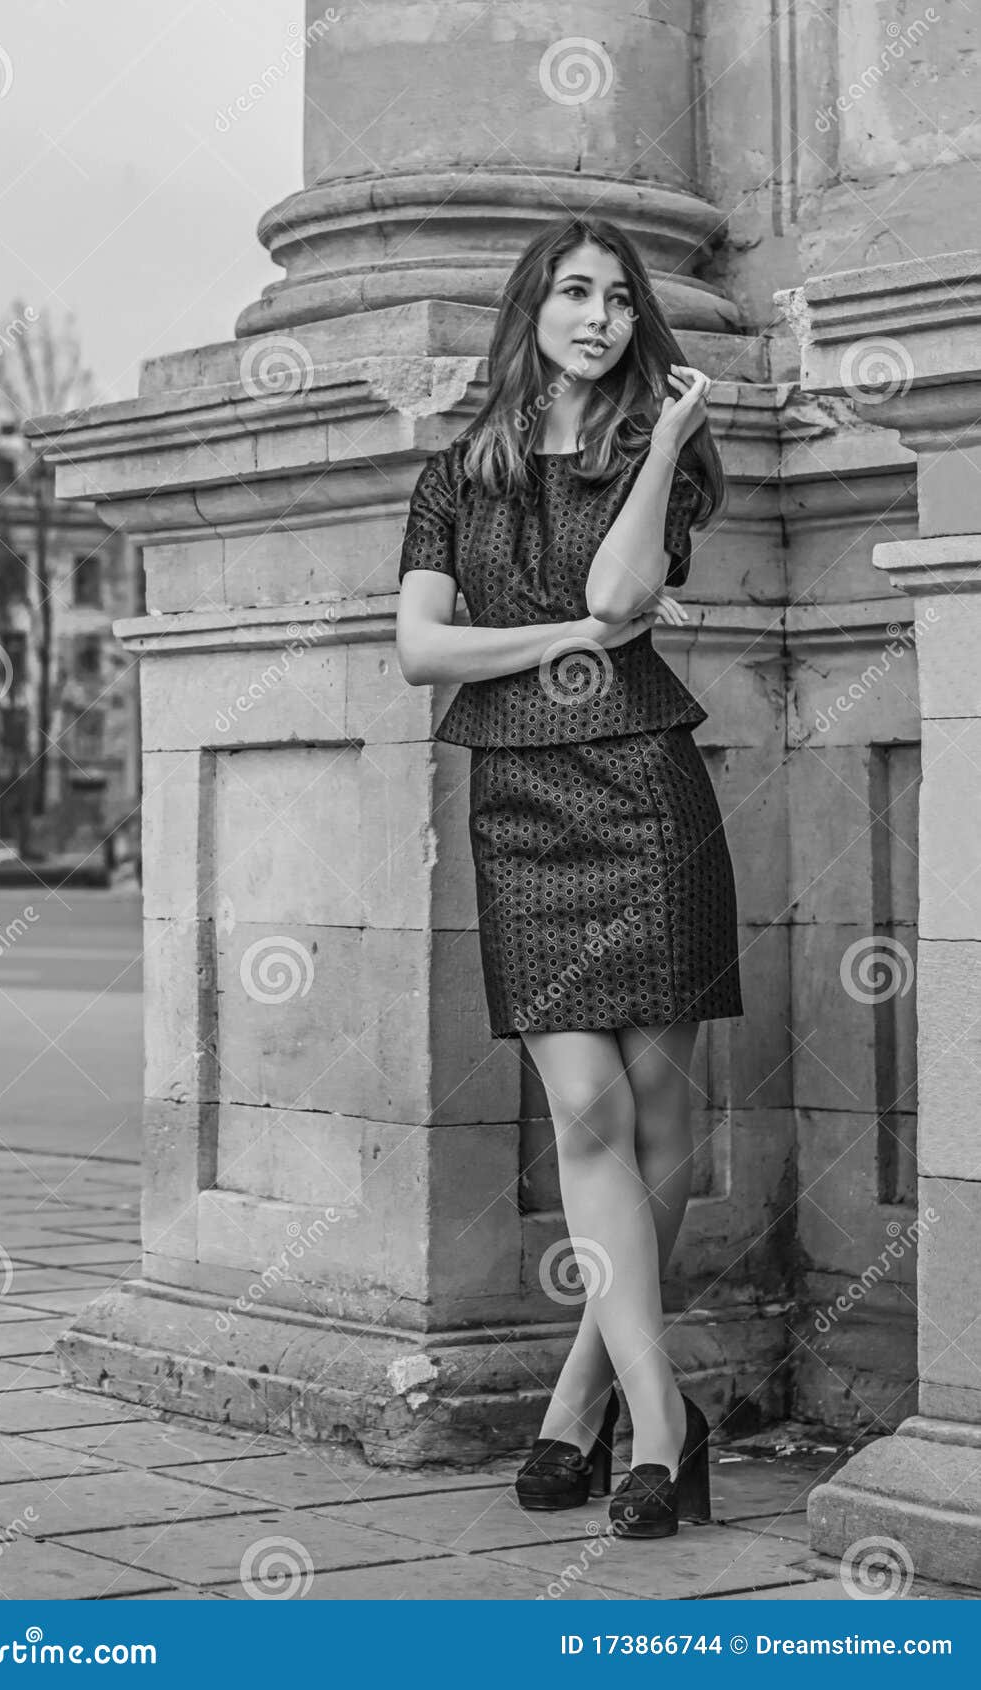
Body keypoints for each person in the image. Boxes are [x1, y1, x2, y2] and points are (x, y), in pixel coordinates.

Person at [394, 217, 743, 1539]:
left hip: (647, 787)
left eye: (617, 298)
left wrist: (659, 440)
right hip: (524, 802)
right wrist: (555, 640)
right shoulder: (453, 475)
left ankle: (592, 1399)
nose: (596, 315)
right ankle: (663, 1411)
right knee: (585, 1102)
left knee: (654, 1102)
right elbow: (424, 651)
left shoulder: (664, 455)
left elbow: (619, 582)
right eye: (573, 291)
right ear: (530, 308)